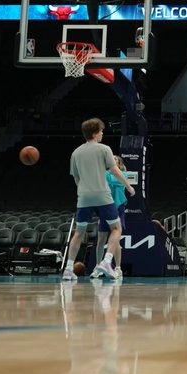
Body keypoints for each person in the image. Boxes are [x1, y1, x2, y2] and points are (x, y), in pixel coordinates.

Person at [64, 118, 134, 282]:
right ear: (95, 133)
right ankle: (107, 261)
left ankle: (68, 269)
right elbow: (116, 171)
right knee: (117, 228)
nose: (102, 133)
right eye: (101, 131)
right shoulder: (104, 149)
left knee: (78, 233)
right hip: (102, 196)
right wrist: (129, 187)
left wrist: (83, 191)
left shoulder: (75, 153)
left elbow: (76, 179)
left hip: (83, 197)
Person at [90, 155, 134, 280]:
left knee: (116, 241)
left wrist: (107, 173)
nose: (112, 159)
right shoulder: (104, 174)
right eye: (111, 158)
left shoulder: (124, 175)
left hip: (117, 208)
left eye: (115, 159)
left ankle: (118, 268)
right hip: (104, 207)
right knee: (100, 240)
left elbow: (113, 180)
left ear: (119, 163)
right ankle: (98, 267)